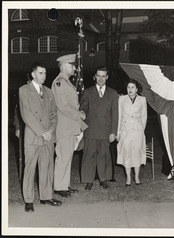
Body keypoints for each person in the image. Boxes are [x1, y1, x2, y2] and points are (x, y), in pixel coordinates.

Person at [19, 62, 61, 212]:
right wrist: (42, 132)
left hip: (48, 137)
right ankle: (29, 200)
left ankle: (46, 196)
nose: (44, 76)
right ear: (33, 74)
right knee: (30, 168)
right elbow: (27, 115)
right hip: (33, 136)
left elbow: (54, 115)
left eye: (45, 73)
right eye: (40, 73)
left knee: (46, 167)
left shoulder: (49, 92)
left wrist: (50, 130)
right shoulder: (24, 90)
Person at [51, 54, 88, 197]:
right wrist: (79, 115)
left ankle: (64, 185)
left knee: (68, 157)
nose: (75, 68)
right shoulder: (59, 82)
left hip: (70, 126)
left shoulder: (66, 82)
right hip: (64, 126)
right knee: (63, 157)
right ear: (64, 65)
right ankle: (59, 187)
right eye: (72, 66)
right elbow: (63, 106)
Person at [79, 66, 118, 190]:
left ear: (107, 77)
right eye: (98, 76)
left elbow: (115, 114)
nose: (101, 79)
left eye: (103, 76)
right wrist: (82, 112)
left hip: (105, 131)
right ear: (94, 77)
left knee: (104, 156)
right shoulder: (88, 92)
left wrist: (113, 131)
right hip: (90, 130)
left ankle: (104, 179)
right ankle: (88, 180)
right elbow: (83, 106)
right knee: (89, 155)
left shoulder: (113, 93)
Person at [116, 79, 147, 186]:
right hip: (125, 130)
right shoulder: (121, 99)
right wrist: (118, 132)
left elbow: (144, 116)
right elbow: (119, 116)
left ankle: (137, 177)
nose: (130, 89)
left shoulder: (142, 100)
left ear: (137, 89)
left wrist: (142, 129)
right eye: (128, 87)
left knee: (137, 153)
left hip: (138, 131)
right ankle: (128, 178)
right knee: (127, 153)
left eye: (132, 87)